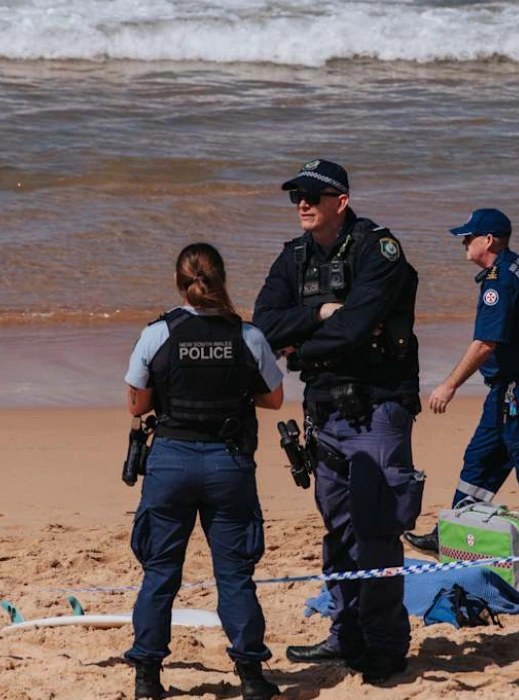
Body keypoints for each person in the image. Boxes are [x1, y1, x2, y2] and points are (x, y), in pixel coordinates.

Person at [253, 159, 424, 685]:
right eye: (295, 196)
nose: (302, 204)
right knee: (339, 530)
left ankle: (387, 646)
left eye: (312, 195)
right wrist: (317, 314)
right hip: (324, 411)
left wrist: (300, 350)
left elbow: (357, 326)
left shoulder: (380, 250)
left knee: (377, 531)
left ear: (340, 202)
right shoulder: (294, 257)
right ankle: (346, 633)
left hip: (376, 406)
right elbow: (262, 324)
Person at [123, 243, 284, 700]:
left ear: (179, 283)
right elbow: (273, 399)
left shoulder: (157, 333)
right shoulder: (247, 336)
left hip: (171, 460)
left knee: (160, 572)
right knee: (234, 574)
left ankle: (147, 676)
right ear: (222, 280)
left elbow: (137, 403)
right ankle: (252, 676)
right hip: (227, 464)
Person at [403, 209, 519, 555]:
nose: (463, 242)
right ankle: (448, 536)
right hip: (510, 387)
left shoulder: (499, 281)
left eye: (468, 236)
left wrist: (449, 385)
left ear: (488, 240)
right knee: (480, 461)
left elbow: (484, 344)